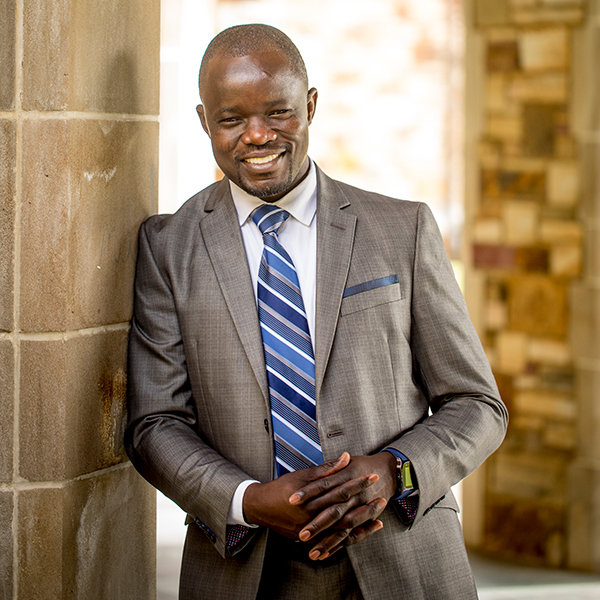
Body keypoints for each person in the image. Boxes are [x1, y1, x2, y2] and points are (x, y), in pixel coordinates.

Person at [125, 23, 507, 600]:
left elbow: (477, 405)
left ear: (310, 106)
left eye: (277, 113)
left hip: (406, 563)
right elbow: (155, 422)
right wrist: (245, 501)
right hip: (244, 570)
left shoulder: (400, 230)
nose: (257, 136)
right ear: (205, 121)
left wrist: (396, 471)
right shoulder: (167, 249)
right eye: (231, 120)